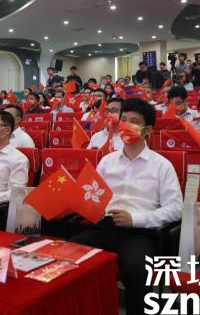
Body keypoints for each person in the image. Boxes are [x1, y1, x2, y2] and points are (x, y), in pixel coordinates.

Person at [71, 98, 183, 315]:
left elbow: (176, 208)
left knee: (136, 270)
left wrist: (135, 219)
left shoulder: (162, 165)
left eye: (134, 121)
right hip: (105, 226)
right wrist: (84, 204)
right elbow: (95, 195)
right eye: (124, 120)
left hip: (141, 233)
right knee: (70, 253)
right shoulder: (107, 161)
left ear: (147, 130)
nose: (126, 125)